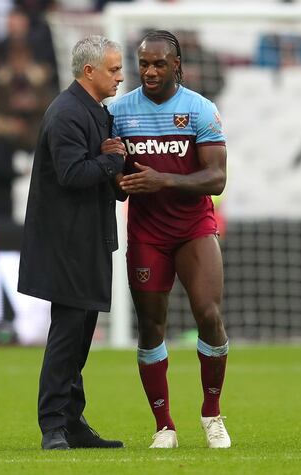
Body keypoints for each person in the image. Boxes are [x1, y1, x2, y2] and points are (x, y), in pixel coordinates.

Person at [109, 30, 230, 449]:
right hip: (146, 234)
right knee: (150, 327)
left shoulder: (199, 109)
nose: (150, 71)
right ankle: (164, 426)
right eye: (143, 63)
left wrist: (163, 178)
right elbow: (117, 179)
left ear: (176, 64)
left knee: (209, 315)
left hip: (193, 230)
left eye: (159, 63)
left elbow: (217, 178)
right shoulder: (119, 111)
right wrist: (116, 175)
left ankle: (212, 414)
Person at [17, 35, 126, 450]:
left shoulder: (95, 111)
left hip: (89, 239)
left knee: (80, 336)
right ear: (89, 71)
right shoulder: (66, 113)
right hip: (65, 244)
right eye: (113, 69)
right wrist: (111, 161)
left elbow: (99, 174)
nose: (120, 77)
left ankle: (72, 421)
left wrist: (119, 175)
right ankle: (53, 427)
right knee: (67, 335)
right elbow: (72, 174)